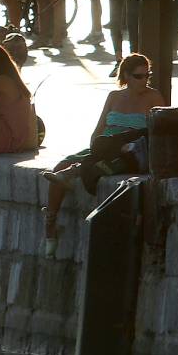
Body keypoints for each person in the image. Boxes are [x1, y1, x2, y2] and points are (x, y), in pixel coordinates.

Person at [41, 53, 165, 250]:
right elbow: (99, 129)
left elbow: (160, 132)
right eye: (138, 76)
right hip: (104, 146)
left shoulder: (154, 97)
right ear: (126, 75)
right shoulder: (114, 96)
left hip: (130, 148)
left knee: (103, 158)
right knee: (61, 165)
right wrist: (94, 145)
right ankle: (50, 223)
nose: (144, 80)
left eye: (147, 75)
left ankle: (74, 170)